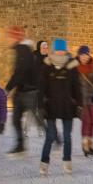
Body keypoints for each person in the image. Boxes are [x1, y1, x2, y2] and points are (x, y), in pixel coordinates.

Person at [39, 39, 81, 175]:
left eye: (62, 49)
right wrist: (40, 105)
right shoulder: (47, 66)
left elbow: (77, 87)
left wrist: (79, 105)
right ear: (54, 50)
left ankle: (67, 161)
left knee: (67, 136)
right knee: (50, 136)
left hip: (67, 106)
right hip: (50, 106)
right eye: (58, 49)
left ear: (65, 50)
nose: (60, 51)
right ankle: (44, 162)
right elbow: (42, 88)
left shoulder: (71, 66)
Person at [5, 26, 40, 156]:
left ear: (15, 38)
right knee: (16, 119)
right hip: (22, 90)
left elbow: (20, 71)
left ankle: (54, 137)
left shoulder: (23, 50)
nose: (6, 39)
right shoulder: (21, 50)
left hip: (28, 91)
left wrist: (8, 88)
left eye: (9, 37)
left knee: (37, 118)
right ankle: (20, 145)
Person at [73, 45, 93, 154]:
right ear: (78, 56)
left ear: (89, 55)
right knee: (86, 121)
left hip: (92, 99)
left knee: (92, 122)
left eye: (86, 55)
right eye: (82, 55)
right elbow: (72, 84)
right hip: (81, 100)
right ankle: (84, 143)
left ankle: (91, 143)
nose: (84, 57)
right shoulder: (75, 67)